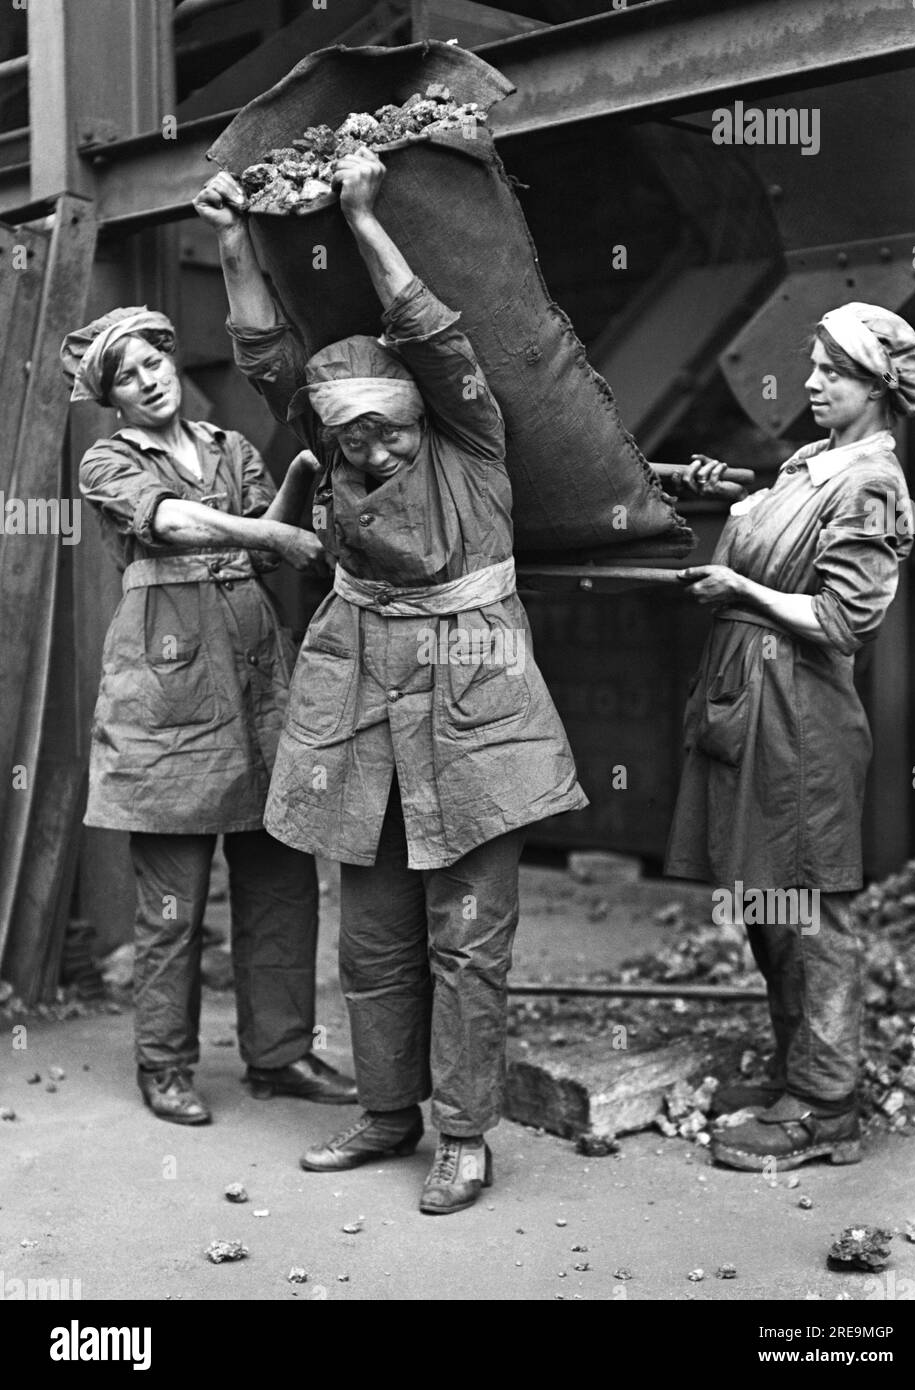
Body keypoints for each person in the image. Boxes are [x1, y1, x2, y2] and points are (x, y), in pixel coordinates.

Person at [194, 148, 587, 1213]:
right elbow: (272, 361)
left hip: (477, 712)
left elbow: (437, 337)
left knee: (468, 939)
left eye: (385, 424)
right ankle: (384, 1111)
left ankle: (465, 1135)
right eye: (347, 431)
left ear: (422, 412)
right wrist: (234, 239)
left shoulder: (471, 442)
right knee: (372, 938)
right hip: (361, 703)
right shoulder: (328, 452)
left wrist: (362, 216)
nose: (369, 447)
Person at [61, 308, 357, 1124]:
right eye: (126, 374)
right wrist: (272, 533)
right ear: (111, 396)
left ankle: (281, 1054)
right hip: (167, 691)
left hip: (259, 684)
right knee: (171, 903)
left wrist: (297, 476)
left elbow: (274, 543)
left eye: (155, 359)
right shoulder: (108, 460)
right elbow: (169, 522)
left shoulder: (229, 448)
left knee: (282, 881)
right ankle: (163, 1064)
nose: (149, 378)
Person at [665, 302, 915, 1170]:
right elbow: (783, 524)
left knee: (809, 902)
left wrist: (739, 593)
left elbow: (843, 616)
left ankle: (825, 1104)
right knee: (766, 895)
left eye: (833, 373)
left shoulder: (872, 481)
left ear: (878, 388)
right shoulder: (815, 460)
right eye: (814, 366)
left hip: (801, 713)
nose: (810, 384)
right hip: (751, 694)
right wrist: (729, 490)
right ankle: (796, 1069)